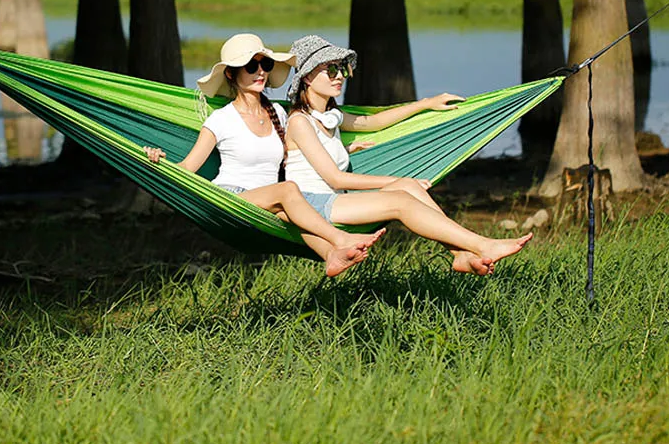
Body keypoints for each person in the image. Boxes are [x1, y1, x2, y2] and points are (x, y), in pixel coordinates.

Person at [283, 35, 533, 276]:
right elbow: (337, 179)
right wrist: (391, 182)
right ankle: (482, 245)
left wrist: (424, 103)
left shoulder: (331, 117)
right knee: (401, 198)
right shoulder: (300, 122)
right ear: (307, 77)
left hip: (334, 201)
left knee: (408, 187)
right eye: (331, 70)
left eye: (342, 69)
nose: (340, 76)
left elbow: (373, 122)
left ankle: (460, 253)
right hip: (311, 204)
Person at [143, 33, 384, 277]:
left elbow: (306, 142)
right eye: (250, 66)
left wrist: (342, 149)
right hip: (231, 198)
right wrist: (157, 159)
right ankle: (341, 238)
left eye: (265, 64)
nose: (260, 72)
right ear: (230, 74)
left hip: (272, 201)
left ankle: (331, 255)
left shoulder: (278, 112)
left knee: (293, 212)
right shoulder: (221, 119)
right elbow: (187, 168)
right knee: (289, 191)